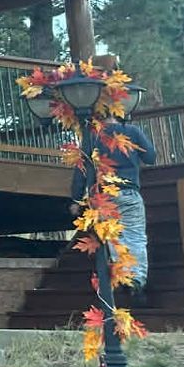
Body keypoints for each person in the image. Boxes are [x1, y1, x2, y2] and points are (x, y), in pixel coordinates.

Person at [72, 115, 157, 296]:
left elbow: (81, 169)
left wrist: (76, 198)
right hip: (129, 192)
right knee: (135, 236)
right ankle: (137, 280)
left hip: (104, 197)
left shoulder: (92, 137)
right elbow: (150, 157)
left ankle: (121, 276)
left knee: (112, 238)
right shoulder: (133, 132)